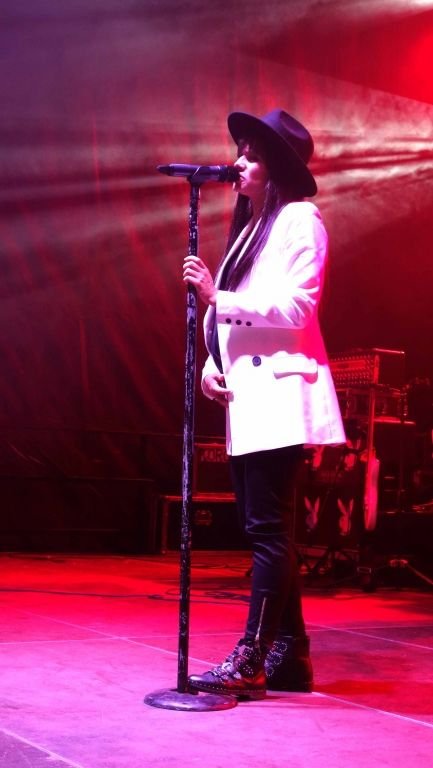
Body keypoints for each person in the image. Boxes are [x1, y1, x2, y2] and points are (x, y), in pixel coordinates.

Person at [182, 108, 345, 700]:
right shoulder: (253, 225)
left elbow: (299, 307)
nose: (238, 162)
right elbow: (232, 317)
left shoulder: (301, 219)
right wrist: (212, 366)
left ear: (276, 165)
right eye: (240, 152)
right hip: (248, 398)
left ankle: (253, 655)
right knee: (264, 529)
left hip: (281, 395)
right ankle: (291, 657)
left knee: (268, 530)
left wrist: (216, 296)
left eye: (250, 155)